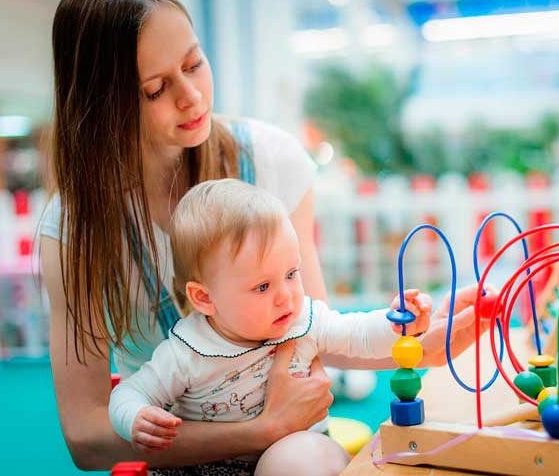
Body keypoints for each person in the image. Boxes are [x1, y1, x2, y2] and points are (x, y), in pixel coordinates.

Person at [40, 0, 487, 472]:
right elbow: (85, 436)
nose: (191, 96)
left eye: (195, 63)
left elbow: (315, 330)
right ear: (102, 102)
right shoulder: (73, 228)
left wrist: (421, 343)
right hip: (184, 461)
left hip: (292, 448)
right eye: (155, 89)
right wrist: (259, 429)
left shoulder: (273, 159)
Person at [109, 179, 435, 475]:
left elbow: (358, 334)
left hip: (295, 459)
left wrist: (395, 323)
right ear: (205, 298)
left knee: (307, 458)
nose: (286, 297)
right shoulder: (187, 351)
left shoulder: (302, 320)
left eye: (291, 274)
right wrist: (135, 417)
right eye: (263, 287)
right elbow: (129, 392)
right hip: (207, 468)